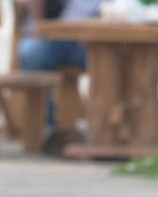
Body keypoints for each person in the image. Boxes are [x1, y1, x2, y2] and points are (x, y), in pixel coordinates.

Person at [17, 0, 100, 129]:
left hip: (89, 39)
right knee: (31, 52)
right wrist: (37, 22)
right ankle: (47, 126)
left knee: (111, 58)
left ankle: (109, 126)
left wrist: (92, 28)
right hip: (48, 35)